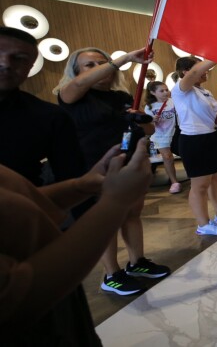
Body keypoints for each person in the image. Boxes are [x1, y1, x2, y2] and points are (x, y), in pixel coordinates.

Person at [1, 138, 152, 345]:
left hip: (60, 316)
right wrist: (115, 202)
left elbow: (14, 208)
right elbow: (15, 297)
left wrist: (80, 186)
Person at [54, 46, 171, 296]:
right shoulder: (71, 95)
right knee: (106, 220)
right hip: (94, 165)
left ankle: (137, 262)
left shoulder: (121, 97)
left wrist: (143, 120)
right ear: (76, 71)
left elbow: (149, 130)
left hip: (128, 164)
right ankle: (111, 274)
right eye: (90, 65)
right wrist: (127, 58)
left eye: (101, 63)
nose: (98, 69)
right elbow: (80, 84)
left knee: (131, 214)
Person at [170, 56, 217, 236]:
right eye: (201, 69)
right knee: (200, 184)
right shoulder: (181, 89)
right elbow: (196, 71)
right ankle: (203, 224)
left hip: (215, 137)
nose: (206, 72)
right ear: (185, 72)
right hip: (196, 139)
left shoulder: (205, 92)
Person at [0, 27, 84, 188]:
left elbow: (70, 180)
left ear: (30, 67)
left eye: (19, 58)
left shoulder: (50, 117)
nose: (5, 63)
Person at [144, 81, 181, 193]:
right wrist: (152, 120)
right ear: (152, 92)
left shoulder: (173, 102)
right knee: (167, 157)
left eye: (166, 90)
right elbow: (148, 126)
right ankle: (174, 182)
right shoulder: (149, 107)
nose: (166, 92)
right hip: (160, 135)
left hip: (176, 133)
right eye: (162, 91)